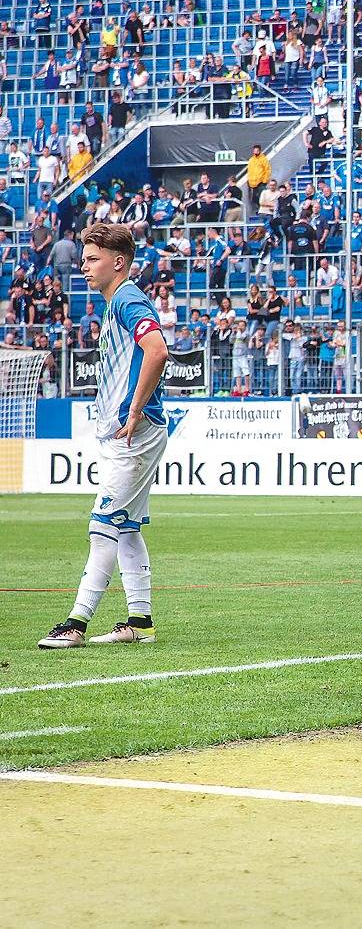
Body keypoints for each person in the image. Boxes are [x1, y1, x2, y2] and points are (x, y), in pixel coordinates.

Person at [38, 224, 170, 650]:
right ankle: (140, 622)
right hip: (127, 433)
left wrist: (133, 410)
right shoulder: (116, 304)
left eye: (93, 259)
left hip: (135, 431)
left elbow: (158, 350)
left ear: (118, 262)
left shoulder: (129, 297)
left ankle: (75, 624)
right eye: (84, 258)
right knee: (127, 529)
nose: (84, 266)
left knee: (103, 527)